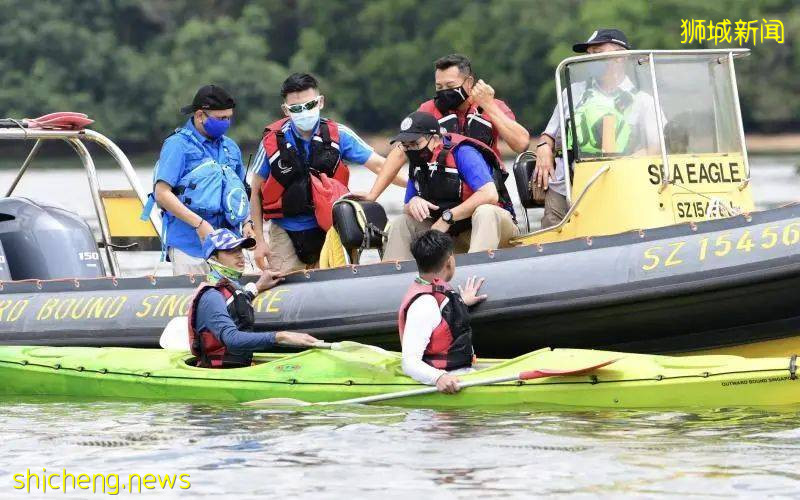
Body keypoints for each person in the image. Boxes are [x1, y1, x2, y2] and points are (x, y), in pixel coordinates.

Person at [249, 73, 404, 274]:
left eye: (309, 105)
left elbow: (382, 166)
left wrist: (412, 186)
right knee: (283, 282)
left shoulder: (339, 134)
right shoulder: (270, 143)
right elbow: (255, 192)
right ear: (286, 110)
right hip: (286, 230)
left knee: (336, 282)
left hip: (331, 228)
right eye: (296, 108)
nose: (304, 112)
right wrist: (260, 242)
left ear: (320, 102)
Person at [358, 53, 530, 203]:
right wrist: (373, 194)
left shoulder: (492, 106)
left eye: (450, 86)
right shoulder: (428, 110)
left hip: (485, 195)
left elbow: (521, 144)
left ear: (469, 82)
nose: (444, 91)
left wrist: (489, 105)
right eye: (439, 87)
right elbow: (400, 151)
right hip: (443, 195)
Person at [534, 29, 663, 228]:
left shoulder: (642, 101)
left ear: (620, 57)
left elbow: (659, 146)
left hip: (618, 189)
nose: (590, 59)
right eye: (589, 54)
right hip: (565, 190)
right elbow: (549, 134)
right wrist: (543, 147)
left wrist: (629, 161)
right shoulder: (573, 91)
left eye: (597, 52)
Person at [381, 111, 519, 261]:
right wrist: (413, 203)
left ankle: (476, 271)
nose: (411, 150)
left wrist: (447, 218)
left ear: (434, 139)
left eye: (415, 144)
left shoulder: (463, 153)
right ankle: (396, 276)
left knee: (485, 211)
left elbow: (489, 194)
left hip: (494, 230)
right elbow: (406, 206)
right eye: (405, 146)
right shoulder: (417, 164)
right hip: (451, 236)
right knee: (402, 222)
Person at [147, 85, 250, 275]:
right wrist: (200, 225)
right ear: (200, 115)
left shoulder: (231, 147)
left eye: (228, 117)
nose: (226, 123)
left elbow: (242, 192)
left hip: (229, 246)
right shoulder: (177, 145)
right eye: (220, 118)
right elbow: (161, 194)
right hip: (190, 247)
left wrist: (248, 224)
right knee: (196, 301)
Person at [188, 228, 319, 368]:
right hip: (219, 372)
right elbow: (231, 338)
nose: (240, 256)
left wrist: (258, 287)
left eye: (240, 250)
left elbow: (237, 302)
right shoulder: (211, 296)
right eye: (230, 251)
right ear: (213, 259)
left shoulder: (226, 288)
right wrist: (281, 336)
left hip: (238, 367)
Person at [397, 230, 487, 393]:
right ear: (449, 262)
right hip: (446, 377)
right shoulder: (424, 303)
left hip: (459, 371)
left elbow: (442, 320)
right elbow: (409, 362)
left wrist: (462, 302)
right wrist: (438, 378)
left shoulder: (436, 289)